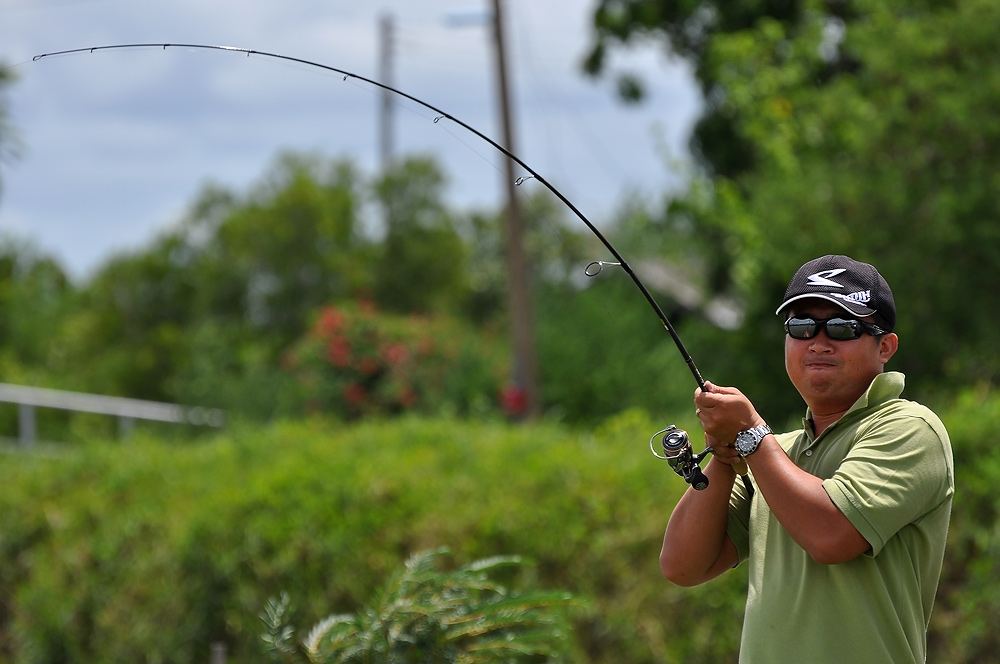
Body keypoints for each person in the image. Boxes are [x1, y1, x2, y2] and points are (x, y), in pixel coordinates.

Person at [659, 255, 954, 663]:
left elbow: (831, 535)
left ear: (885, 346)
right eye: (801, 326)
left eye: (842, 326)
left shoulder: (910, 427)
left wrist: (750, 436)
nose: (818, 341)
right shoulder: (771, 453)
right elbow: (683, 565)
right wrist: (725, 458)